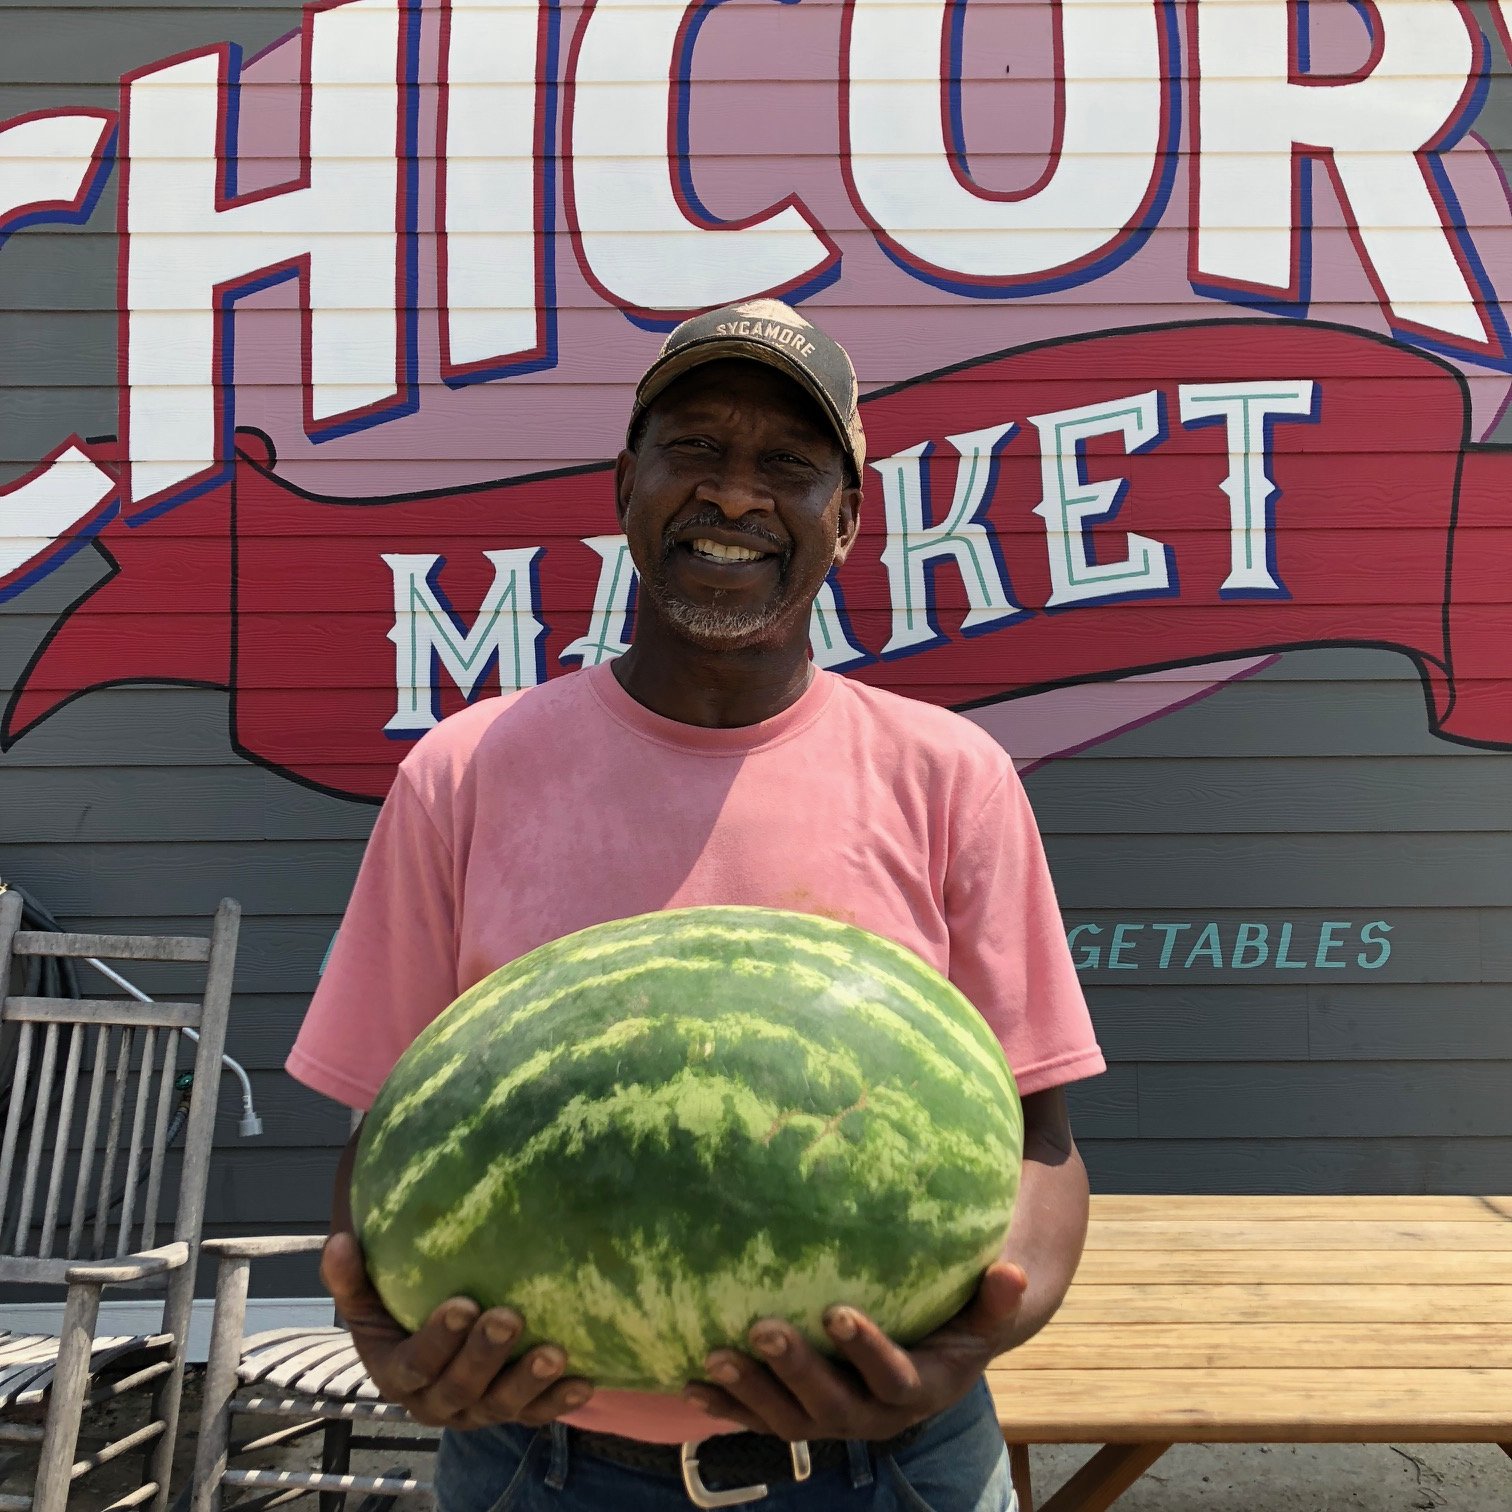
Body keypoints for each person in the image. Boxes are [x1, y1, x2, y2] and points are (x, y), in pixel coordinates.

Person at [286, 297, 1106, 1511]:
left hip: (893, 1467)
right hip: (540, 1468)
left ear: (848, 517)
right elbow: (397, 1132)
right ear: (627, 488)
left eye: (789, 464)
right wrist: (385, 1328)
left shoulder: (948, 777)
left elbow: (1042, 1149)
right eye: (695, 450)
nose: (734, 495)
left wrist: (964, 1350)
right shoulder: (464, 774)